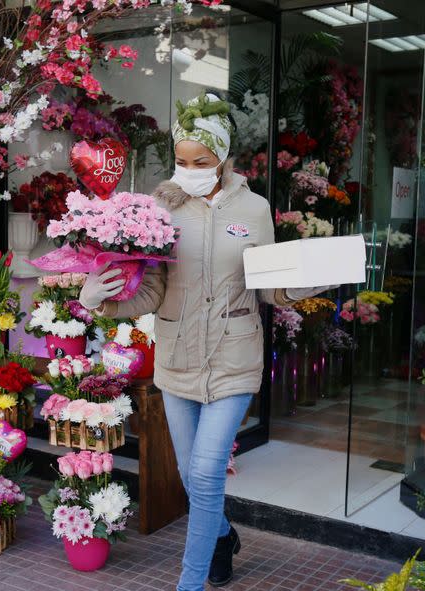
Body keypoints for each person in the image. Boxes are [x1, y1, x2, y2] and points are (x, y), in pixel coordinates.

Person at [79, 93, 333, 590]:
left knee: (207, 473)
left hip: (235, 357)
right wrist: (98, 299)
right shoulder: (160, 207)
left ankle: (189, 583)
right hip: (177, 361)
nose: (189, 170)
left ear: (223, 155)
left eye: (201, 161)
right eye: (181, 161)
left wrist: (307, 282)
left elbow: (269, 284)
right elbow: (150, 290)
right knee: (192, 478)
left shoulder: (255, 209)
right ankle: (222, 534)